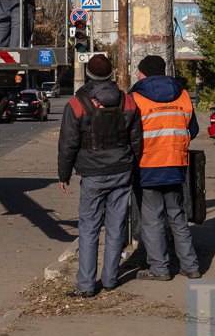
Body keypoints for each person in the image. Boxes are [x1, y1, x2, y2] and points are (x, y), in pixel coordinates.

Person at [58, 53, 143, 298]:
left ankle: (85, 285)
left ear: (88, 75)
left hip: (92, 174)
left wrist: (64, 175)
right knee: (116, 227)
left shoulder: (76, 104)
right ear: (110, 74)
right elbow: (136, 139)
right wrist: (133, 165)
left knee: (89, 228)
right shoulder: (127, 102)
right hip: (122, 171)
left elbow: (68, 144)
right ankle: (110, 279)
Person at [128, 55, 201, 281]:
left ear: (145, 73)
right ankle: (191, 266)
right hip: (176, 164)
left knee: (152, 220)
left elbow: (130, 133)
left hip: (148, 165)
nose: (138, 75)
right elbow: (194, 129)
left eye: (139, 71)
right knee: (178, 216)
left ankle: (160, 269)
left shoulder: (136, 97)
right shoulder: (184, 95)